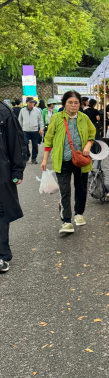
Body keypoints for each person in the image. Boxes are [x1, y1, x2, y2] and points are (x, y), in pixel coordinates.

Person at [41, 90, 96, 235]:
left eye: (76, 102)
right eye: (70, 102)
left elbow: (92, 133)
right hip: (62, 160)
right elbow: (48, 139)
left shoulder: (84, 118)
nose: (73, 105)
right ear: (64, 103)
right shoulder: (57, 118)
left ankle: (79, 213)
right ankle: (66, 221)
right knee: (65, 191)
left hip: (80, 160)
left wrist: (88, 145)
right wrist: (45, 159)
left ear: (80, 104)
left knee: (81, 188)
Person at [0, 99, 27, 272]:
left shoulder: (4, 112)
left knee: (1, 212)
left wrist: (17, 171)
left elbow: (16, 143)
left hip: (1, 173)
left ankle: (2, 255)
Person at [18, 97, 44, 163]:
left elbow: (40, 120)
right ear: (26, 102)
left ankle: (34, 158)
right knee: (25, 143)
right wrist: (19, 129)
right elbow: (20, 120)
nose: (32, 104)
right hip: (25, 130)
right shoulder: (22, 110)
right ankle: (27, 155)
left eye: (33, 102)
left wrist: (41, 129)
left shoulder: (37, 110)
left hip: (34, 130)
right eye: (30, 102)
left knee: (35, 145)